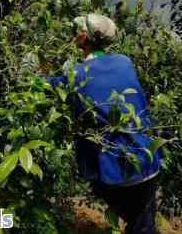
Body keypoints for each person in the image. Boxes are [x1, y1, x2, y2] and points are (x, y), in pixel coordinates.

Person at [44, 14, 161, 234]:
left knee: (139, 225)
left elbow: (49, 86)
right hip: (147, 158)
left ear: (84, 37)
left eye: (78, 30)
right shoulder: (124, 61)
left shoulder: (76, 74)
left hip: (117, 171)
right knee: (143, 225)